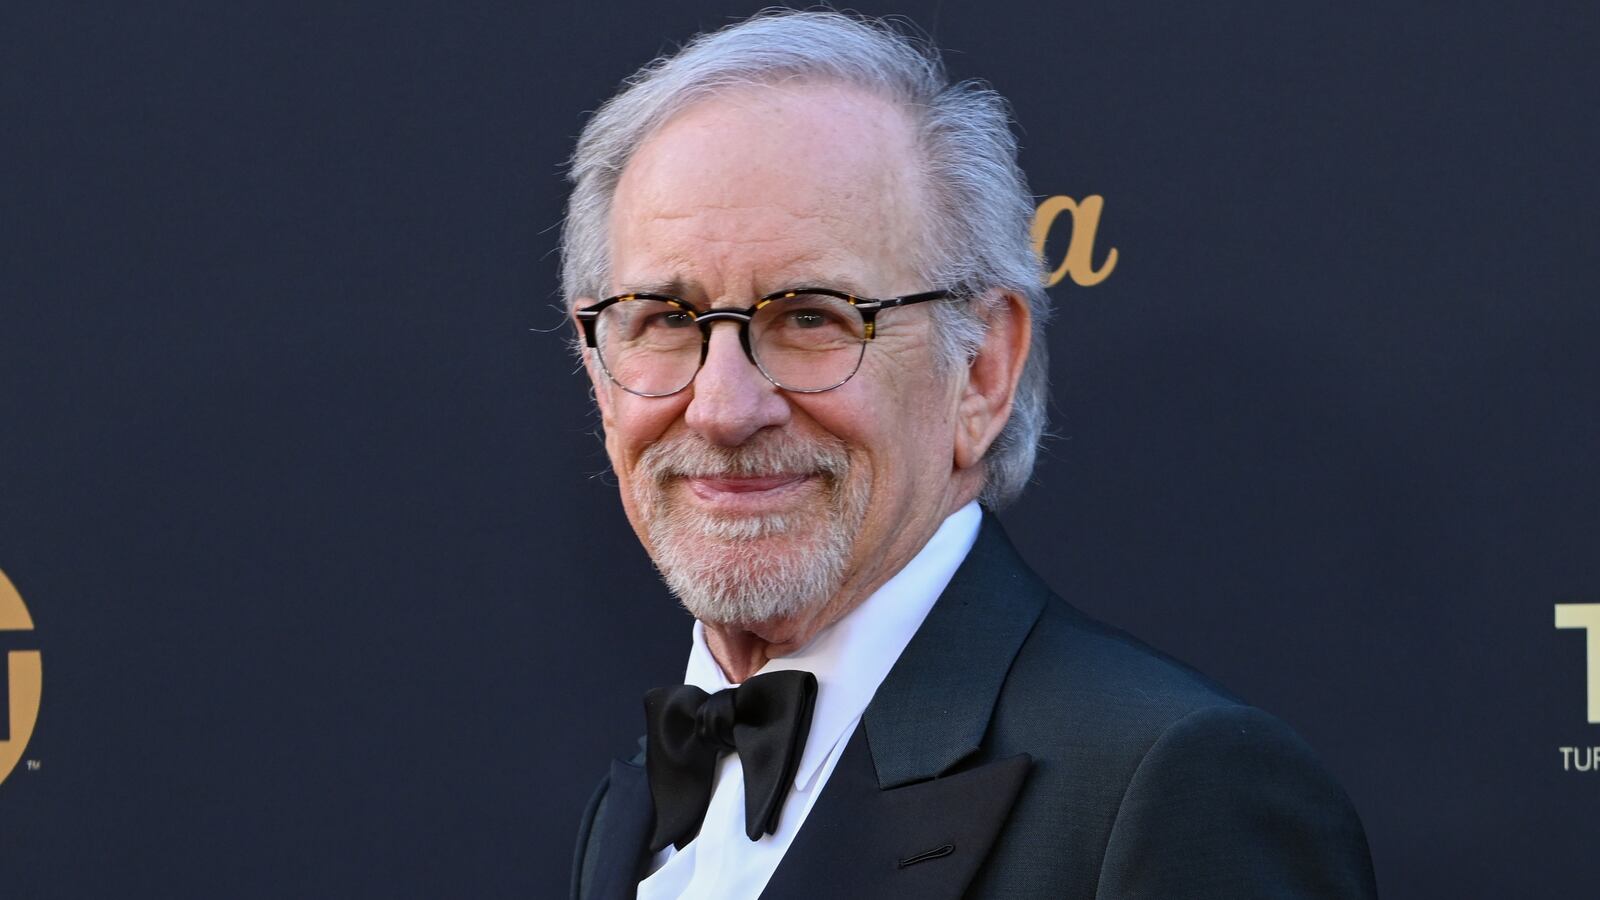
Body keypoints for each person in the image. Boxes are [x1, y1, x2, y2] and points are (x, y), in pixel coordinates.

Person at [563, 11, 1376, 900]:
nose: (722, 408)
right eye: (668, 322)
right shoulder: (630, 809)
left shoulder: (1169, 790)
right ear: (599, 371)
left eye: (810, 318)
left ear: (982, 371)